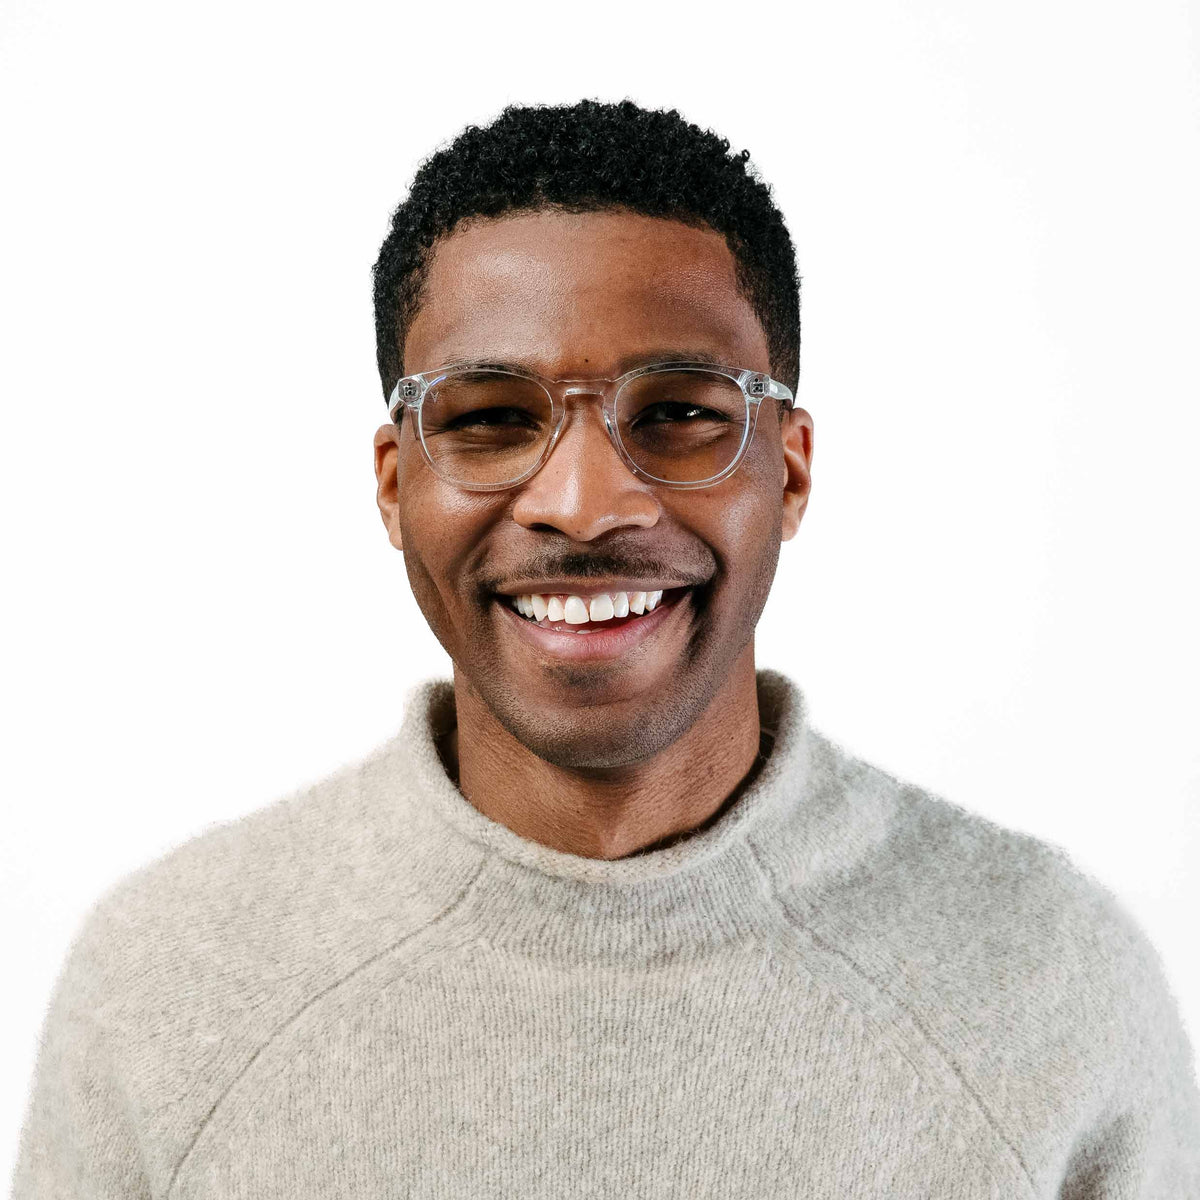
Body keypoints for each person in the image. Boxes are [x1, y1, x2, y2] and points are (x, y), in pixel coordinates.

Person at [11, 99, 1200, 1199]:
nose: (582, 503)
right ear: (393, 486)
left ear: (787, 469)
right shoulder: (171, 989)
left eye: (679, 412)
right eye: (488, 420)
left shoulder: (1047, 982)